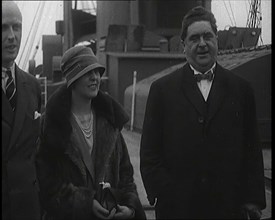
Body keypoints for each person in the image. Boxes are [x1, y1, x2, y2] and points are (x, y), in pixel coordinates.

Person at [140, 6, 266, 219]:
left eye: (208, 36)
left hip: (229, 207)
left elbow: (252, 148)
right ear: (184, 46)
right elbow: (149, 153)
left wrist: (252, 199)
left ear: (217, 40)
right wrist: (166, 192)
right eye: (194, 38)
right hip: (178, 209)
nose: (202, 44)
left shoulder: (241, 89)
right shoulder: (161, 90)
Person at [36, 45, 146, 220]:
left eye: (97, 71)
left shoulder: (110, 122)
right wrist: (85, 203)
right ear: (72, 79)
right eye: (87, 72)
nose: (95, 77)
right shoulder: (51, 125)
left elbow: (126, 175)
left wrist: (130, 208)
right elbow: (47, 183)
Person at [2, 1, 41, 220]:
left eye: (16, 27)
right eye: (3, 28)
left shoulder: (33, 86)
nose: (11, 36)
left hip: (27, 208)